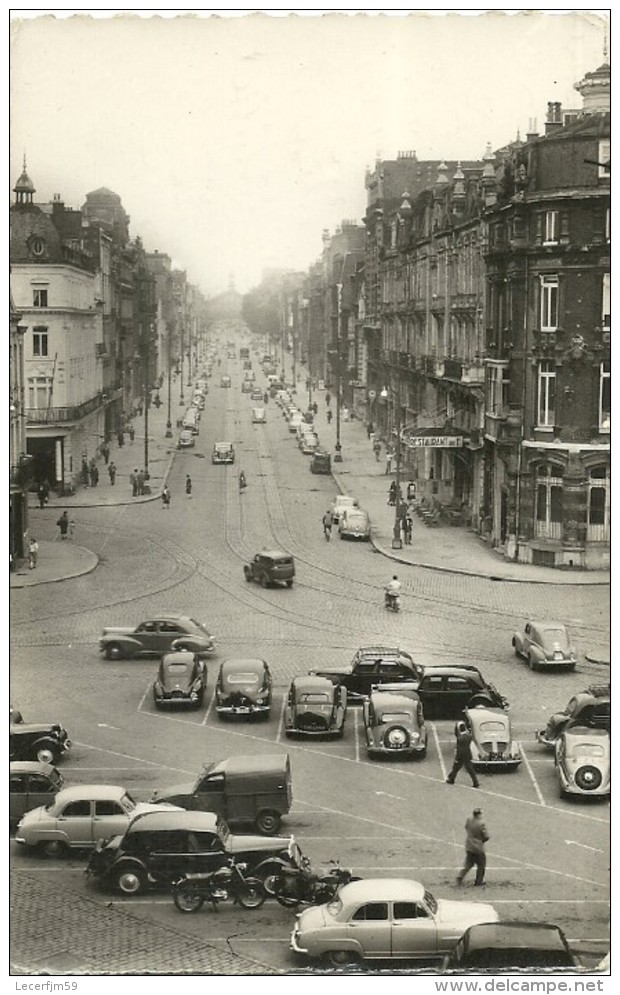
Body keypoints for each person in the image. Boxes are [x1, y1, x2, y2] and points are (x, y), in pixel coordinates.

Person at [456, 808, 489, 887]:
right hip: (478, 847)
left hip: (469, 845)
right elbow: (486, 836)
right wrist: (482, 840)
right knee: (481, 864)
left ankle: (460, 876)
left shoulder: (469, 820)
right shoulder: (481, 824)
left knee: (469, 863)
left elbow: (466, 827)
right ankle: (479, 881)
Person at [446, 720, 480, 788]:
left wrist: (457, 758)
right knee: (470, 769)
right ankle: (475, 781)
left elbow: (459, 749)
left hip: (461, 755)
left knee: (456, 767)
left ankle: (451, 778)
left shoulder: (460, 738)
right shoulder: (468, 736)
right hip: (468, 754)